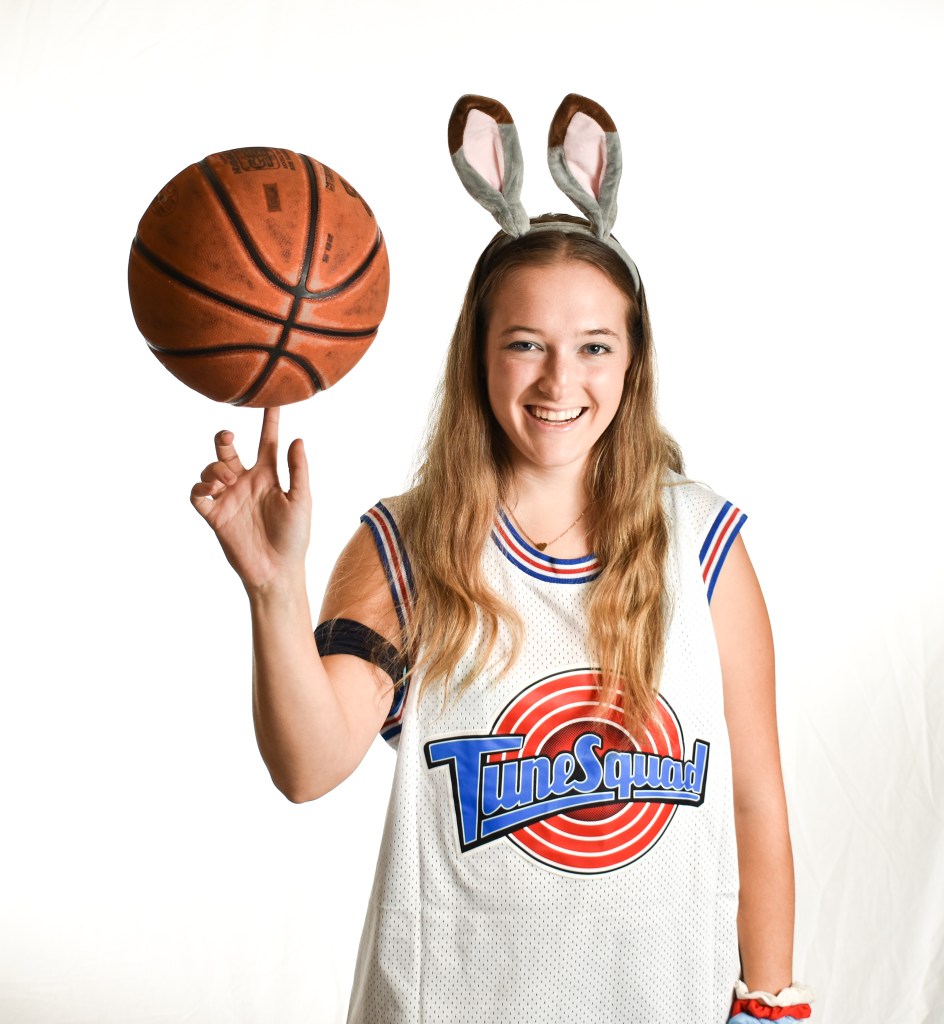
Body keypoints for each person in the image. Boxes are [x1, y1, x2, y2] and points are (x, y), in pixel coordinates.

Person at [190, 95, 811, 1024]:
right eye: (526, 345)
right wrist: (273, 589)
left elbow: (757, 800)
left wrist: (770, 1005)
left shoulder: (704, 546)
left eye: (593, 347)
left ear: (633, 361)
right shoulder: (407, 544)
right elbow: (308, 766)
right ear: (477, 356)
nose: (562, 382)